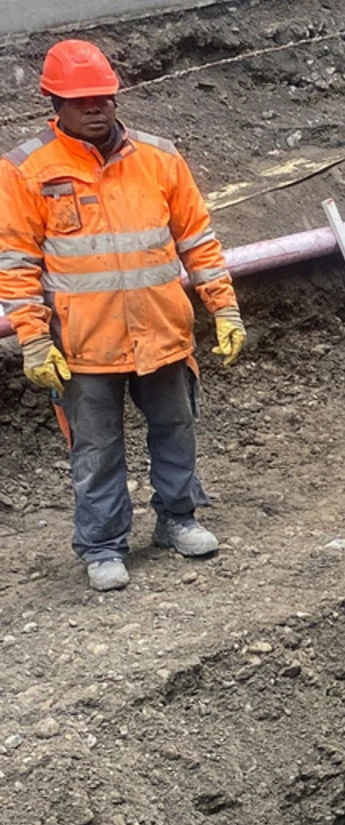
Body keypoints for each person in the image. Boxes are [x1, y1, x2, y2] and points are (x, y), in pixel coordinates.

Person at [1, 39, 247, 593]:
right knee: (96, 448)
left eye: (104, 96)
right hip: (85, 346)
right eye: (80, 98)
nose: (95, 106)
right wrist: (36, 342)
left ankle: (178, 519)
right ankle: (103, 545)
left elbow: (199, 242)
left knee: (175, 429)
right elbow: (15, 264)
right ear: (52, 101)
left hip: (162, 333)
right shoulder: (25, 169)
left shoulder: (159, 158)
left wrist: (224, 309)